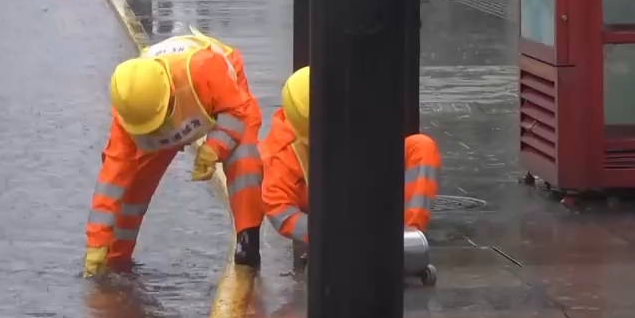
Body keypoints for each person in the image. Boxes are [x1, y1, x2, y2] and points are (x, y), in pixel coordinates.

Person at [84, 30, 265, 278]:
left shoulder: (205, 69)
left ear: (169, 97)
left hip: (224, 99)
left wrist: (214, 148)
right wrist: (97, 242)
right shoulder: (131, 108)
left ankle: (248, 240)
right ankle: (115, 259)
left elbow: (239, 112)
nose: (157, 130)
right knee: (132, 189)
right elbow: (111, 181)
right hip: (172, 102)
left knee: (243, 157)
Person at [260, 67, 442, 259]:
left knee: (422, 148)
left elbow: (381, 151)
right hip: (326, 217)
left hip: (365, 191)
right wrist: (327, 237)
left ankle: (409, 237)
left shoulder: (356, 104)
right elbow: (281, 211)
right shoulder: (281, 151)